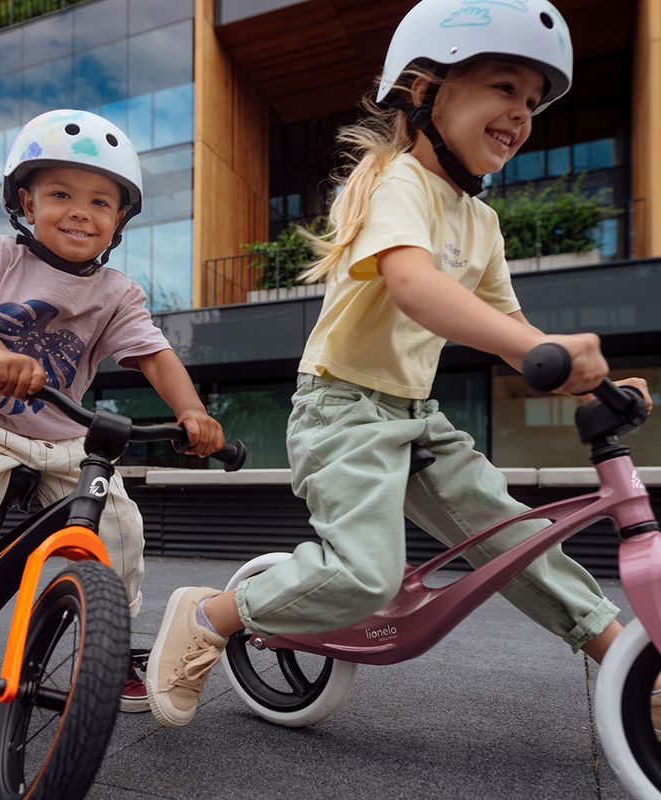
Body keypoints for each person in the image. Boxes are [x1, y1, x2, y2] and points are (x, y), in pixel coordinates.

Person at [145, 0, 653, 729]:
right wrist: (534, 351)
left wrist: (590, 383)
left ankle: (639, 675)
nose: (521, 112)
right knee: (366, 575)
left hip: (416, 416)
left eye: (533, 101)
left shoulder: (481, 221)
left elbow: (511, 327)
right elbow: (413, 285)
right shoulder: (397, 181)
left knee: (519, 539)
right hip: (341, 409)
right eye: (504, 87)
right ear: (428, 90)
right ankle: (211, 614)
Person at [0, 109, 224, 741]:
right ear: (27, 203)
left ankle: (109, 647)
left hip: (63, 439)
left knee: (122, 529)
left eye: (100, 202)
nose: (81, 212)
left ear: (119, 219)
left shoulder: (116, 292)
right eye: (61, 195)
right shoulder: (0, 255)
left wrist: (191, 410)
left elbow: (154, 354)